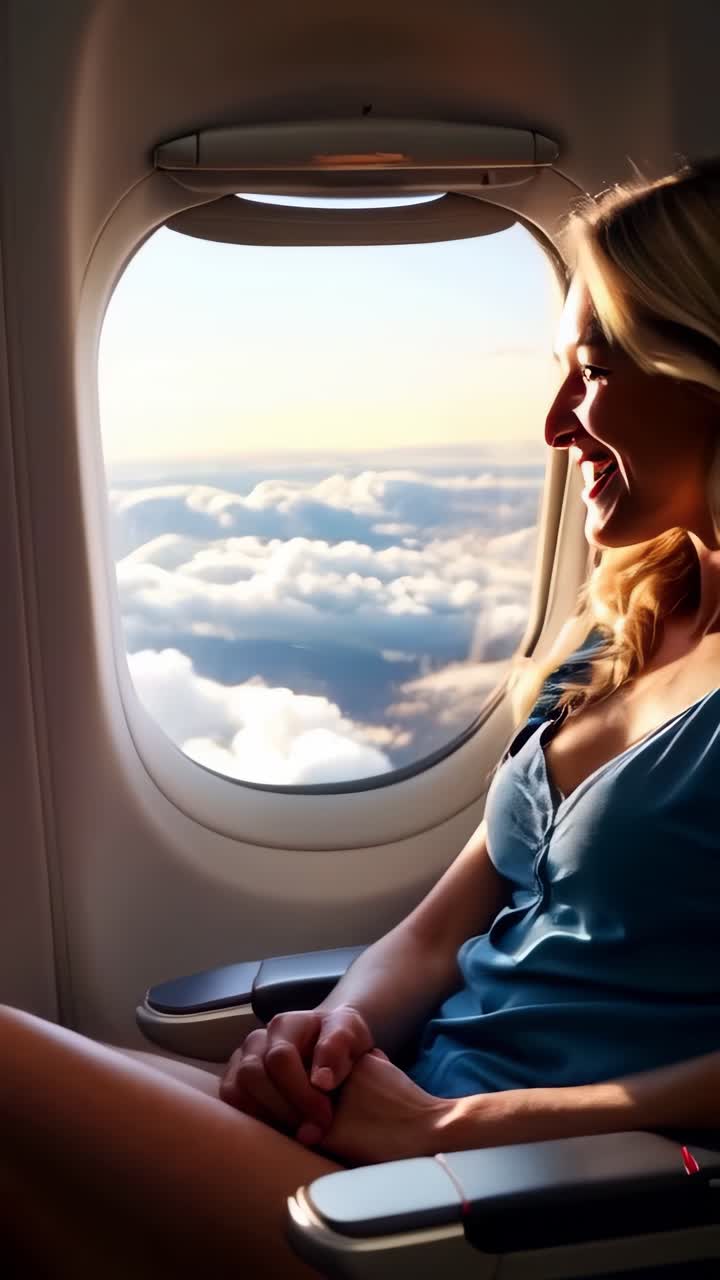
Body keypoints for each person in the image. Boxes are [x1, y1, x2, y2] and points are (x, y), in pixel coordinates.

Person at [5, 156, 720, 1278]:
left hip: (514, 1202)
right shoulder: (622, 630)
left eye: (591, 371)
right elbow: (436, 932)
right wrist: (332, 1031)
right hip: (398, 1128)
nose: (553, 425)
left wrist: (454, 1130)